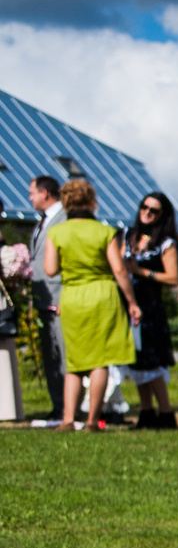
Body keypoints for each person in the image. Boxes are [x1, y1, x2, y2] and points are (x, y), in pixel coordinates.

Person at [43, 180, 140, 432]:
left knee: (75, 362)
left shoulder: (57, 233)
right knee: (100, 361)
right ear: (91, 201)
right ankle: (91, 421)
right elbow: (119, 269)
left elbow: (50, 269)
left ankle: (67, 419)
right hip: (102, 295)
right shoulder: (105, 232)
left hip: (73, 296)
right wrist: (131, 302)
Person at [124, 191, 178, 428]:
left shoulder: (165, 243)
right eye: (144, 208)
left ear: (163, 215)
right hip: (130, 305)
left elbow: (173, 278)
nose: (147, 213)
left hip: (150, 308)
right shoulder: (129, 236)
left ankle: (166, 412)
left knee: (152, 362)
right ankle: (146, 411)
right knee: (136, 360)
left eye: (154, 210)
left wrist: (142, 272)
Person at [25, 176, 66, 425]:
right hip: (42, 299)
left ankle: (69, 408)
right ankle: (58, 406)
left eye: (32, 193)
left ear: (45, 193)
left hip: (59, 297)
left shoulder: (65, 218)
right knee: (50, 355)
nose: (29, 198)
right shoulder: (43, 221)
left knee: (63, 354)